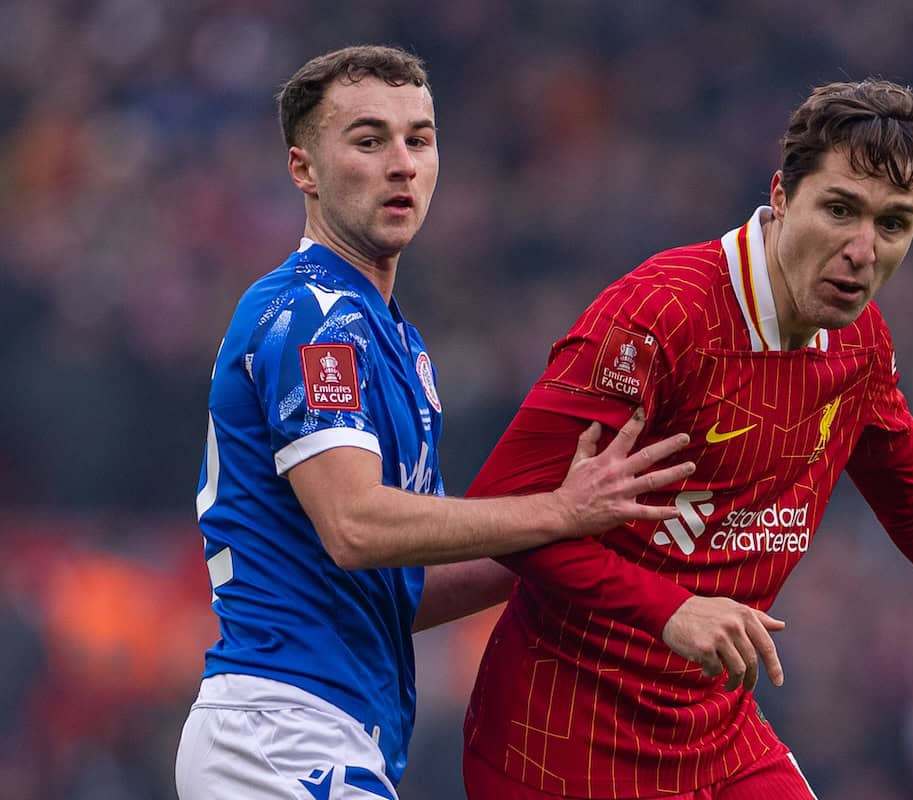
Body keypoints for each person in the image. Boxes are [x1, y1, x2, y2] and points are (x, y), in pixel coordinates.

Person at [456, 79, 913, 798]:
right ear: (781, 196)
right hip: (560, 740)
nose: (861, 249)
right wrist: (670, 609)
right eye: (840, 210)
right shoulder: (660, 315)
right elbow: (505, 511)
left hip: (714, 733)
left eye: (894, 223)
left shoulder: (859, 343)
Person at [173, 45, 695, 800]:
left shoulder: (396, 341)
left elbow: (403, 587)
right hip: (280, 731)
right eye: (367, 139)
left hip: (333, 730)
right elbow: (357, 527)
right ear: (303, 170)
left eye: (419, 139)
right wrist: (557, 509)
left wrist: (579, 535)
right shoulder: (312, 317)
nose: (401, 163)